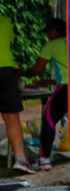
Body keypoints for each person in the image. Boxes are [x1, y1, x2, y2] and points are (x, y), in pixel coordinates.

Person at [21, 18, 70, 171]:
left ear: (55, 31)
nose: (47, 35)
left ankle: (44, 160)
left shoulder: (51, 45)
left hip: (64, 88)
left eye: (49, 31)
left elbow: (36, 69)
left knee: (49, 120)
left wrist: (21, 72)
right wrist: (49, 81)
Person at [0, 14, 33, 173]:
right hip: (6, 70)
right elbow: (10, 46)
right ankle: (20, 159)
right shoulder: (6, 20)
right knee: (11, 116)